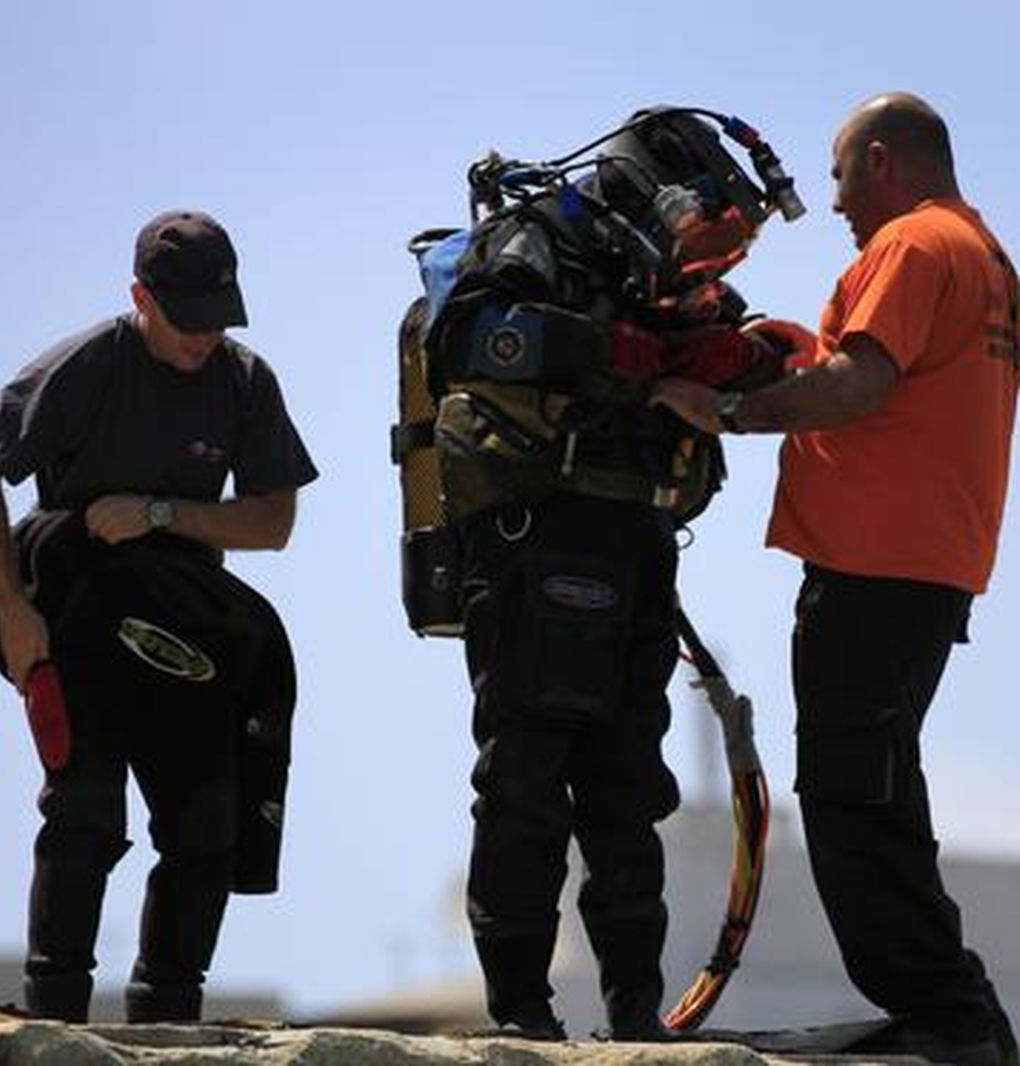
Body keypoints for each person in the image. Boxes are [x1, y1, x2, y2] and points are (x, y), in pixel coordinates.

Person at [651, 93, 1020, 1066]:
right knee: (882, 791)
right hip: (932, 566)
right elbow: (909, 389)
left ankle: (944, 1015)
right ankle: (961, 1015)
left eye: (837, 175)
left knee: (851, 794)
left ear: (880, 159)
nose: (832, 202)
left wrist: (724, 410)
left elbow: (861, 387)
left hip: (874, 565)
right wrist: (792, 352)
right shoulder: (990, 264)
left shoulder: (910, 246)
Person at [412, 107, 798, 1040]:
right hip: (532, 533)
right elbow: (464, 341)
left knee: (629, 786)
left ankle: (634, 1010)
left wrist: (735, 355)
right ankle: (521, 1013)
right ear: (649, 192)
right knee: (527, 776)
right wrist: (609, 352)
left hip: (636, 540)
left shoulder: (661, 279)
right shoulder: (534, 241)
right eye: (704, 238)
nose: (709, 265)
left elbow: (754, 355)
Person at [0, 209, 318, 1023]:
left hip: (185, 616)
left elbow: (272, 523)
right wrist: (11, 607)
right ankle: (54, 1019)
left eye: (219, 320)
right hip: (75, 609)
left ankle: (168, 1017)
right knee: (86, 814)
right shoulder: (89, 363)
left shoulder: (246, 381)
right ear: (141, 297)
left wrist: (159, 514)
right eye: (187, 322)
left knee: (207, 827)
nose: (203, 339)